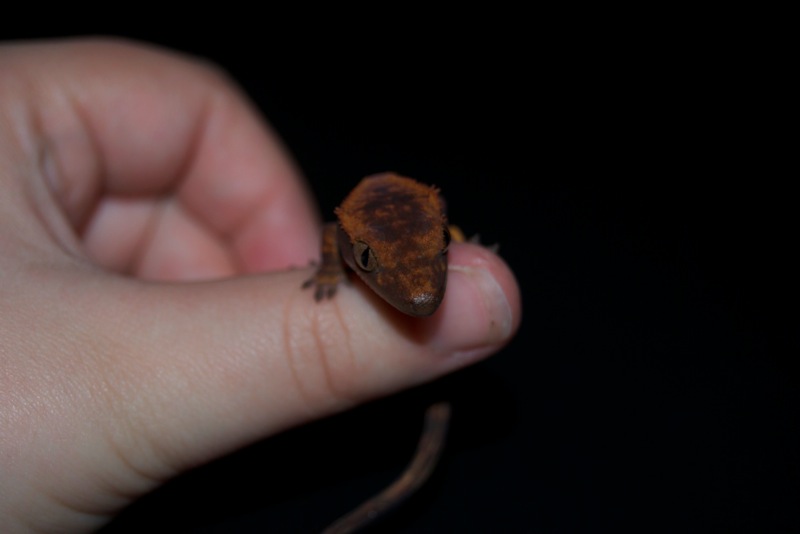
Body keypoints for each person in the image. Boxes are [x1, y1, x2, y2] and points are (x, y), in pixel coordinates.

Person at [0, 38, 520, 532]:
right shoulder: (344, 238)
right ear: (353, 248)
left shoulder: (421, 230)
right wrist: (330, 272)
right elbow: (330, 234)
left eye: (440, 251)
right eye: (366, 259)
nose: (425, 292)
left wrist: (447, 243)